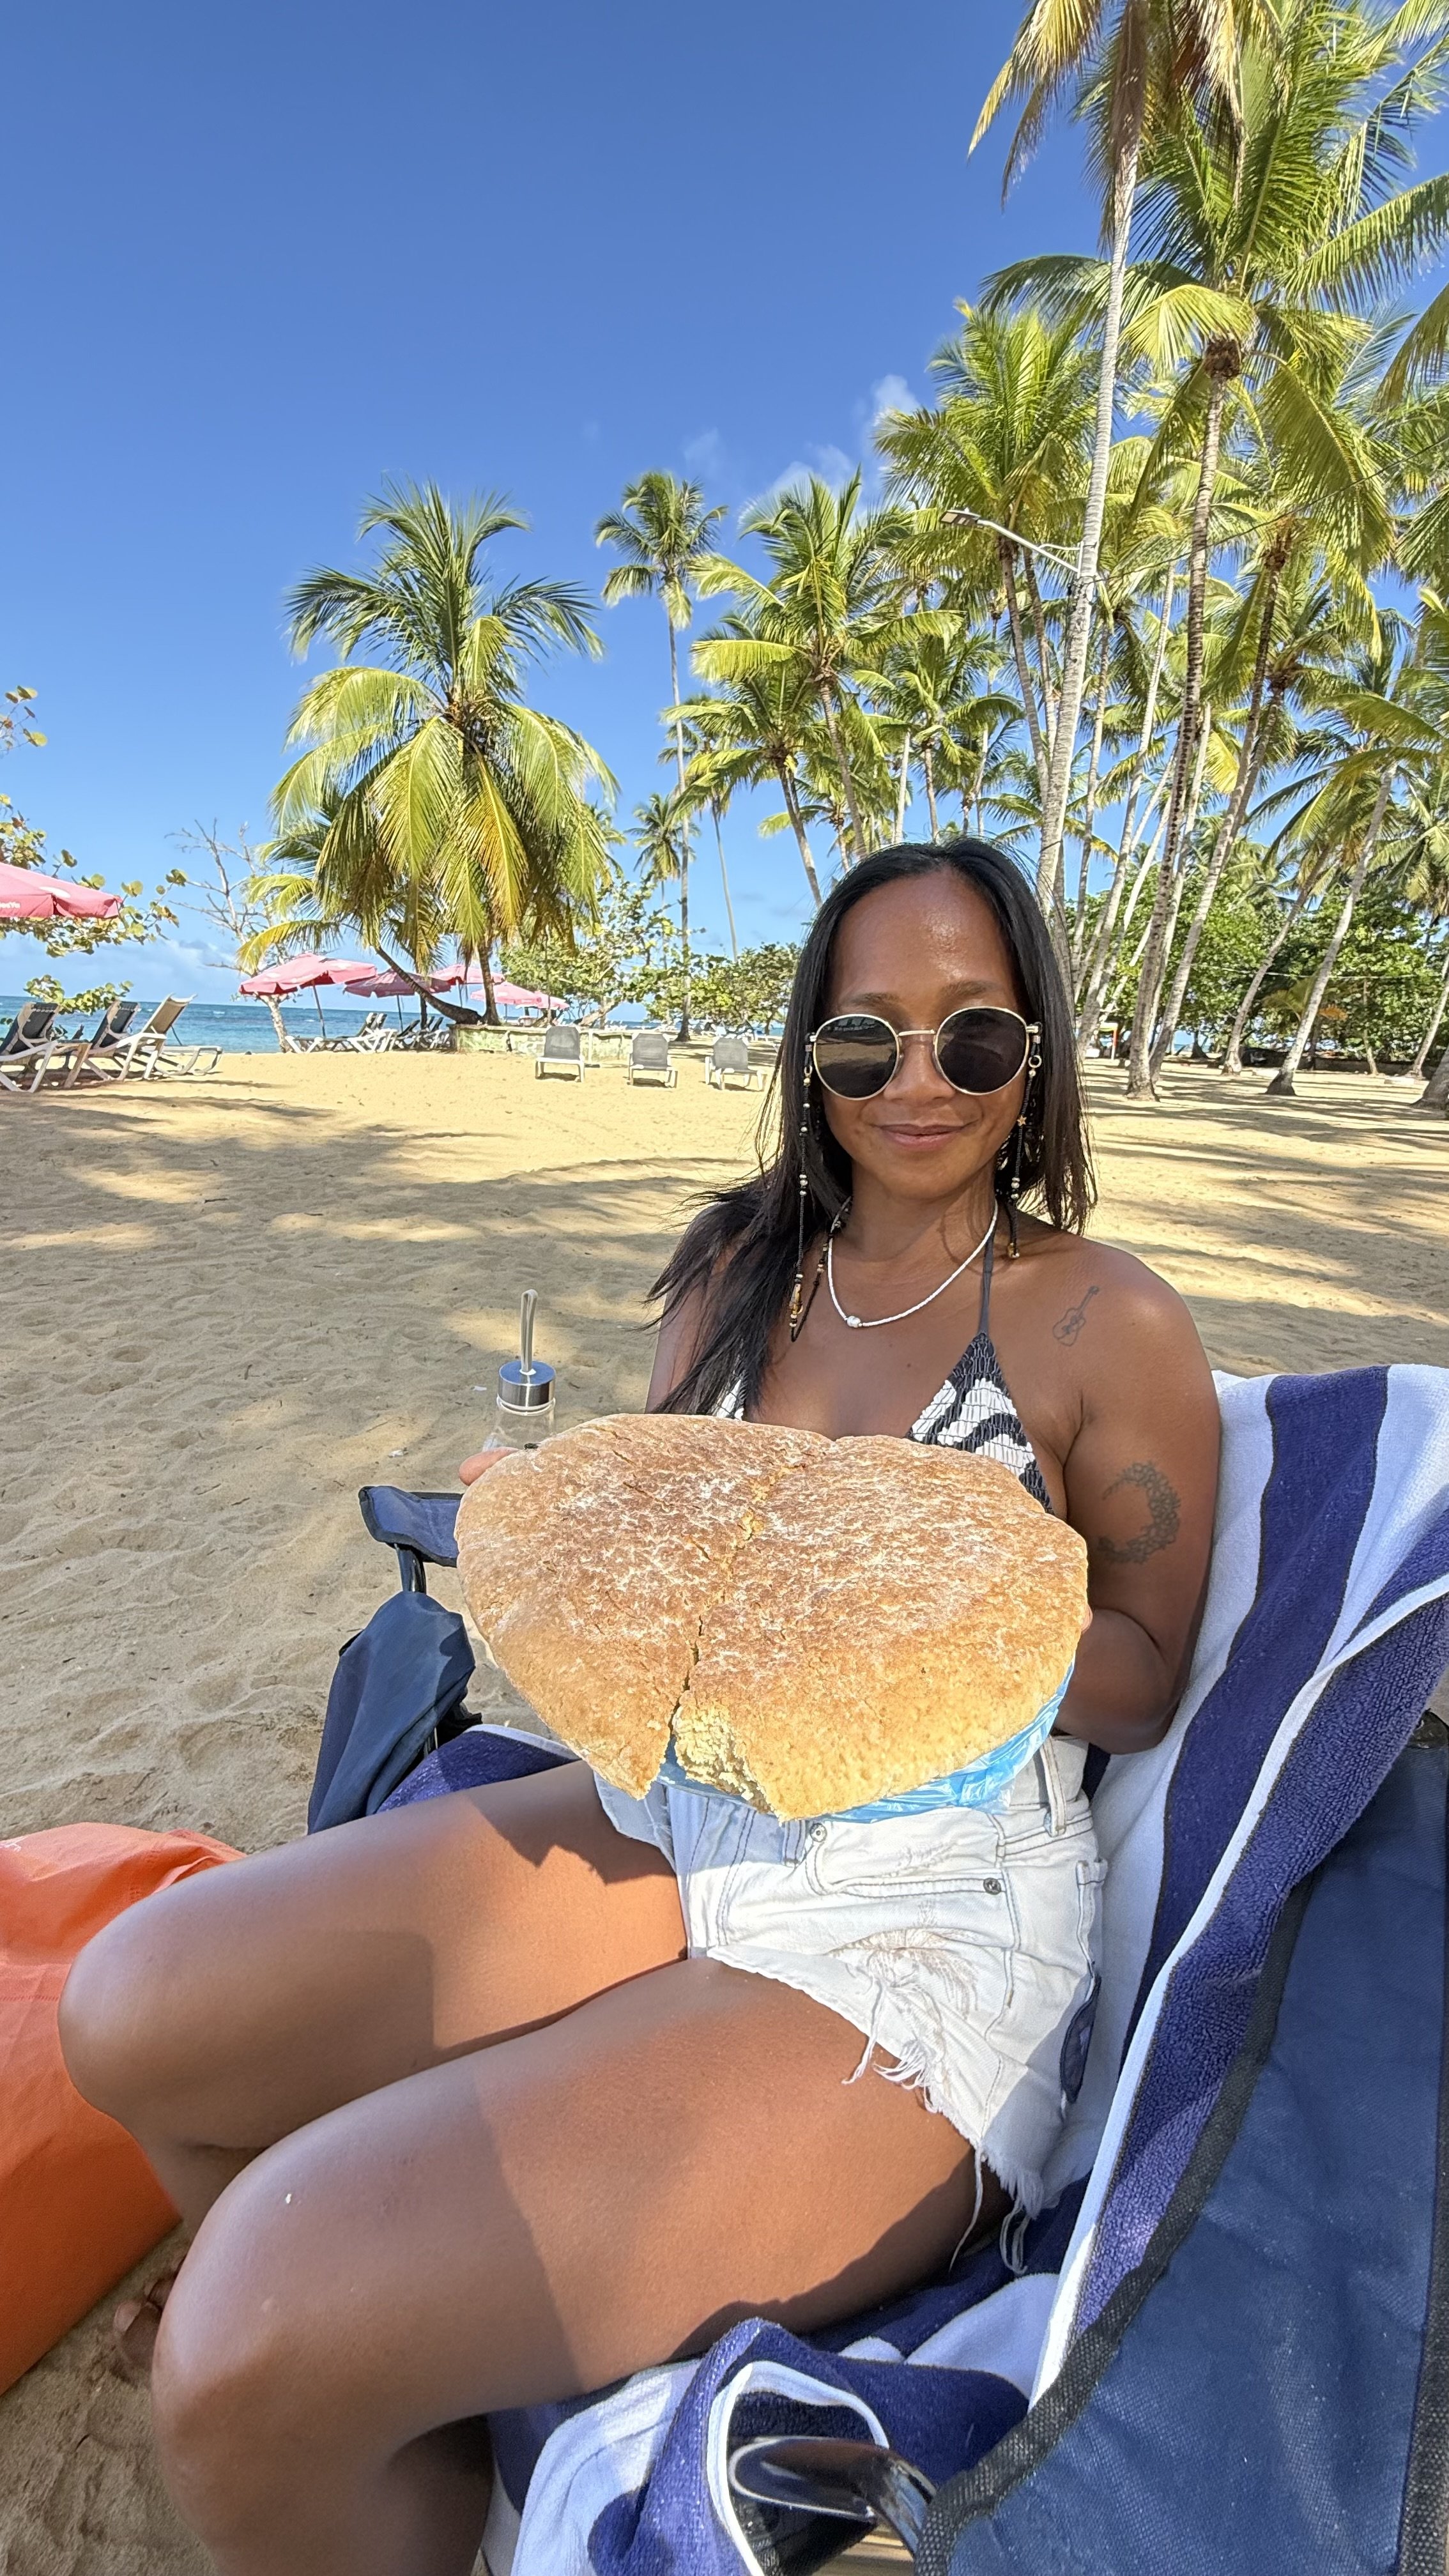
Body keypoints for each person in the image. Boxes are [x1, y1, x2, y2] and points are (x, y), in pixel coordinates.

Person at [57, 839, 1220, 2576]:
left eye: (969, 1039)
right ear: (808, 1061)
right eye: (861, 1042)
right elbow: (660, 1590)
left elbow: (1140, 1671)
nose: (916, 1083)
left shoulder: (1099, 1320)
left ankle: (304, 2359)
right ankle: (375, 2388)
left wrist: (911, 1600)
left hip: (919, 1921)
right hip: (680, 1815)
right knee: (133, 2008)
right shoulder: (733, 1272)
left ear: (1032, 1053)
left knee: (247, 2330)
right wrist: (548, 1535)